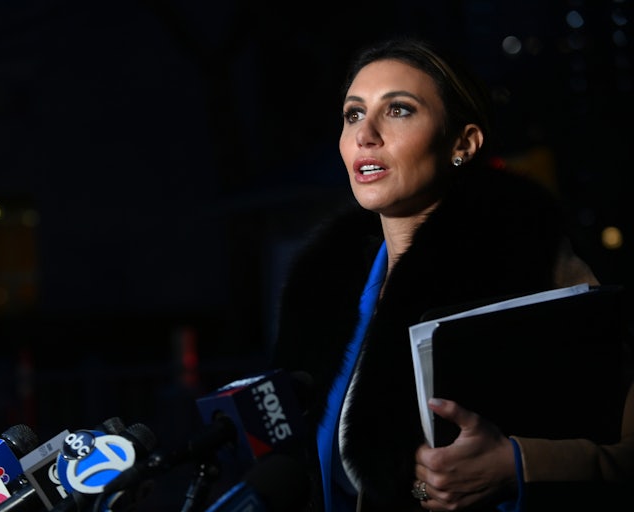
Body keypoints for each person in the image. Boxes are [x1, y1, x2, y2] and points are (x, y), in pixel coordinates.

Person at [270, 36, 634, 512]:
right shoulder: (323, 291)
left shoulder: (529, 261)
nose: (366, 134)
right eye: (353, 114)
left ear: (463, 143)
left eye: (398, 110)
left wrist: (517, 466)